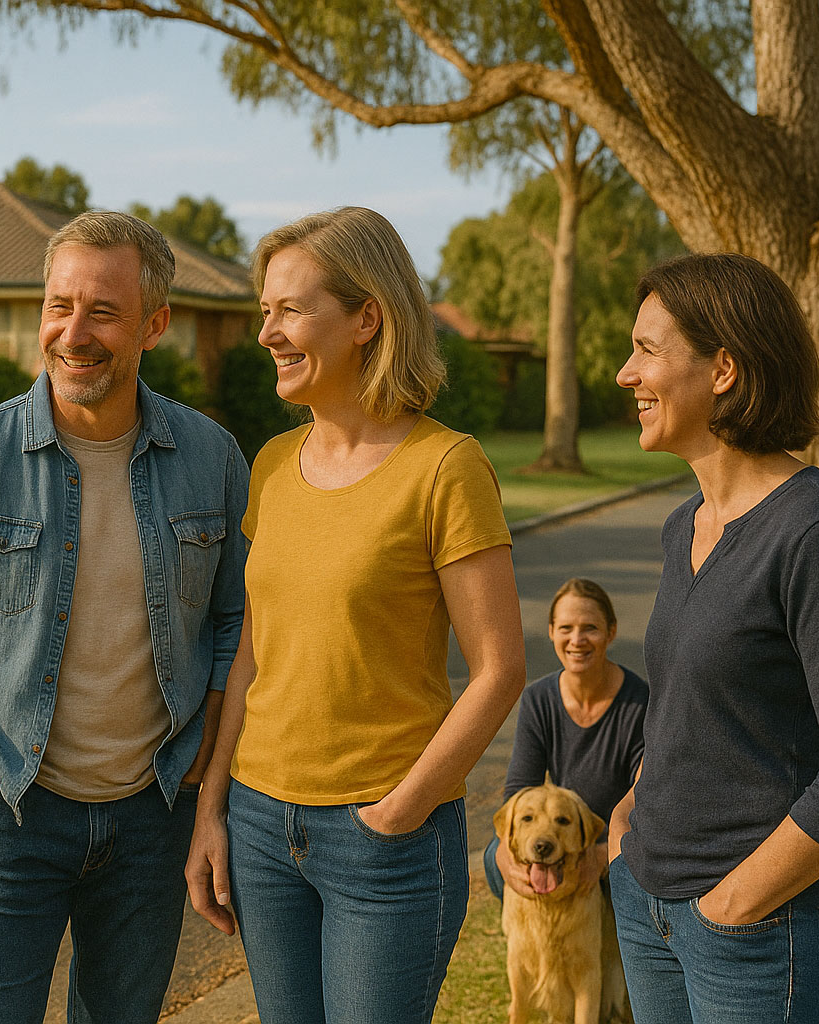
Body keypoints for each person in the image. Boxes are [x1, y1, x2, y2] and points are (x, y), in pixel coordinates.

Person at [0, 210, 249, 1024]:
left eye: (102, 312)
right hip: (10, 815)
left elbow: (234, 625)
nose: (72, 333)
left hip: (153, 821)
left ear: (155, 324)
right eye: (58, 305)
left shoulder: (214, 459)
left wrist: (203, 767)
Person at [185, 207, 527, 1024]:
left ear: (368, 316)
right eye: (264, 310)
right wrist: (213, 809)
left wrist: (399, 813)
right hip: (263, 826)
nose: (267, 330)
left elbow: (500, 669)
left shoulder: (445, 467)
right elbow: (252, 655)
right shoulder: (270, 464)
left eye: (291, 310)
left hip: (384, 841)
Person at [608, 253, 819, 1023]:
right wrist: (628, 824)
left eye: (646, 350)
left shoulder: (815, 531)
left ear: (725, 368)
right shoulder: (686, 526)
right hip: (650, 906)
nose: (623, 374)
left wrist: (734, 904)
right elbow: (688, 710)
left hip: (765, 930)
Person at [484, 578, 647, 902]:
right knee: (493, 857)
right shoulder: (538, 699)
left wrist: (602, 855)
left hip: (621, 840)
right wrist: (506, 851)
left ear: (610, 632)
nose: (577, 640)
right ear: (551, 631)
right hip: (561, 834)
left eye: (590, 628)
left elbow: (645, 800)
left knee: (632, 868)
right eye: (565, 628)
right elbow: (520, 789)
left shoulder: (640, 702)